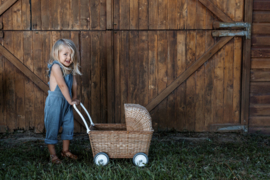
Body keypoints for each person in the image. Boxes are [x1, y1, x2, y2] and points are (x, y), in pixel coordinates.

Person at [44, 39, 82, 164]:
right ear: (57, 54)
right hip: (55, 103)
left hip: (67, 102)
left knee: (69, 126)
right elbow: (62, 85)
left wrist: (75, 97)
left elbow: (74, 84)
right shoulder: (56, 66)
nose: (69, 57)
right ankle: (53, 155)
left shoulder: (70, 67)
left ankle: (65, 151)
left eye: (71, 54)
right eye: (65, 54)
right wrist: (71, 100)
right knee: (53, 127)